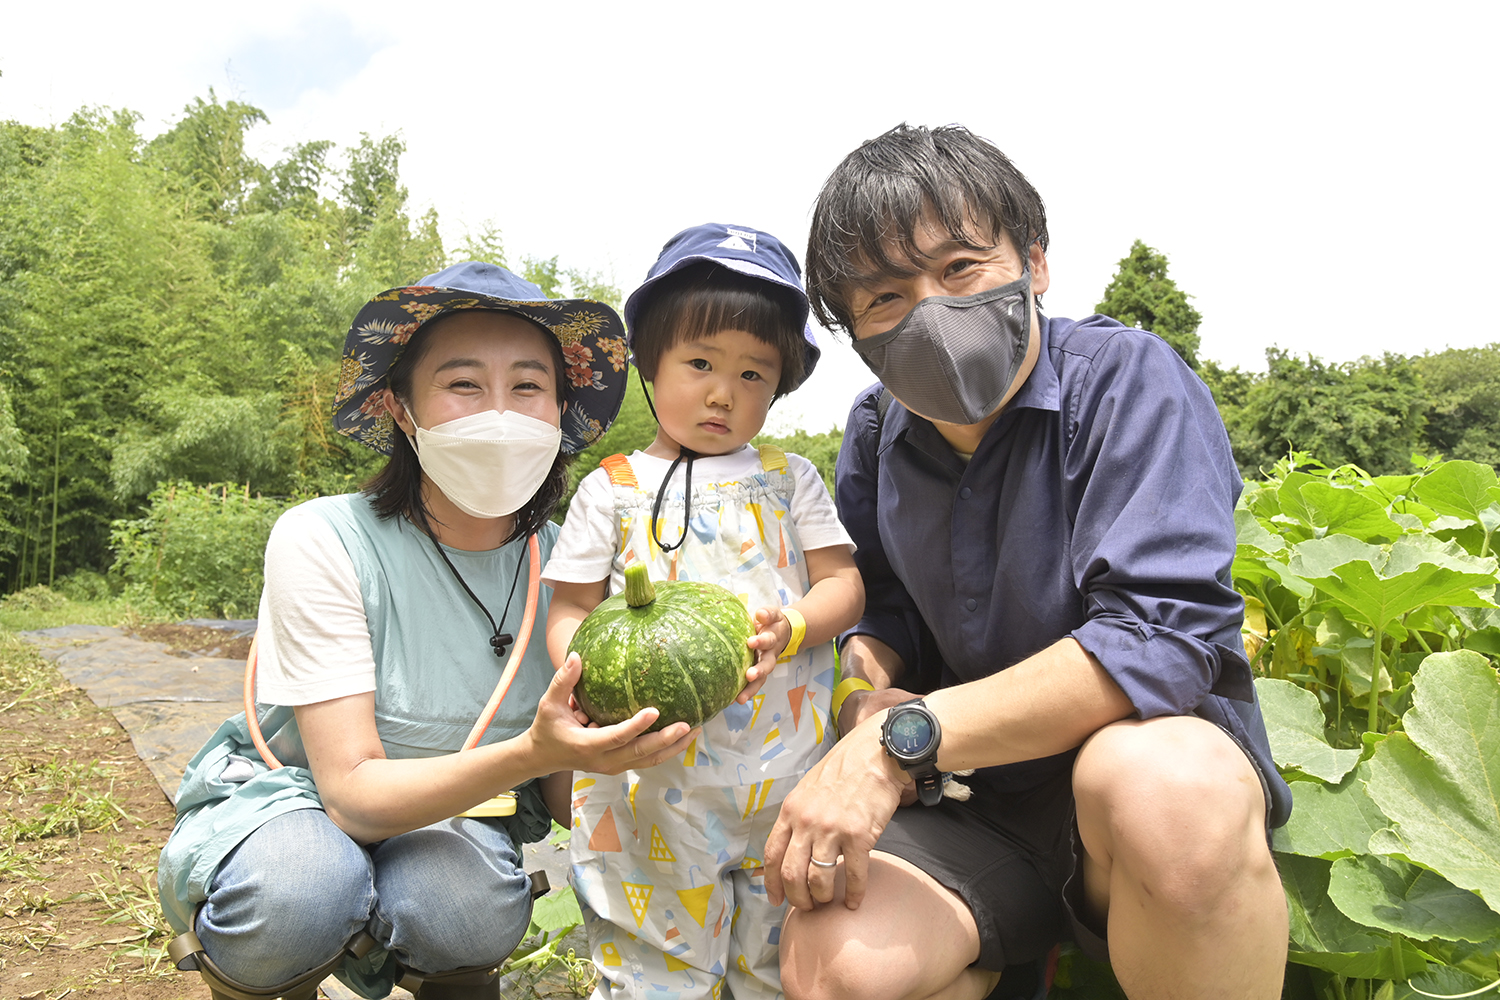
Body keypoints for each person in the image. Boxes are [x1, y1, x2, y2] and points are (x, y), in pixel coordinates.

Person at [763, 126, 1293, 1000]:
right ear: (854, 330)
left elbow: (1159, 639)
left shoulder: (1128, 382)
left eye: (962, 269)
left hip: (1127, 784)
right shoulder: (872, 433)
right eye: (887, 297)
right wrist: (865, 694)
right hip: (975, 801)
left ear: (1033, 265)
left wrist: (899, 747)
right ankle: (1010, 956)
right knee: (840, 967)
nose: (930, 311)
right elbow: (878, 609)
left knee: (1166, 790)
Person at [157, 262, 699, 1000]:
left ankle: (439, 968)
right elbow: (349, 794)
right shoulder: (323, 538)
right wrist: (532, 750)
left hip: (458, 820)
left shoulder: (575, 566)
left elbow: (566, 780)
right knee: (301, 887)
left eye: (529, 387)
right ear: (400, 409)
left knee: (468, 908)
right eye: (464, 384)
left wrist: (659, 736)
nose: (499, 414)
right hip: (304, 804)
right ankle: (265, 969)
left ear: (561, 413)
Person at [543, 224, 865, 1000]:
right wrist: (587, 685)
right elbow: (570, 611)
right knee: (655, 966)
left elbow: (844, 586)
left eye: (755, 374)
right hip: (652, 785)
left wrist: (795, 627)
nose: (724, 393)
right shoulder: (612, 490)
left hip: (786, 774)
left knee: (777, 961)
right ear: (650, 364)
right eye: (699, 364)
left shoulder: (792, 480)